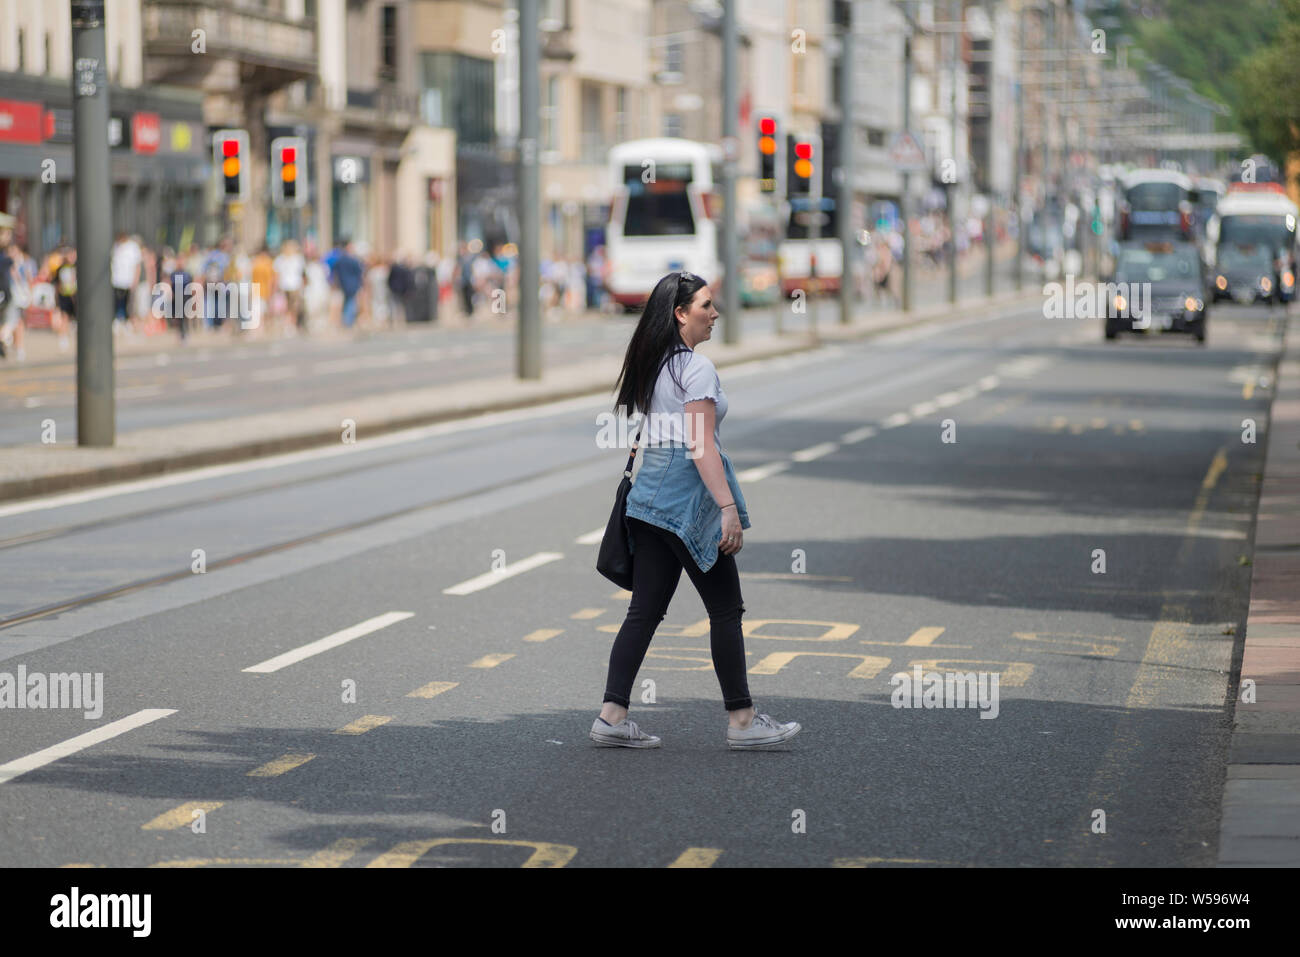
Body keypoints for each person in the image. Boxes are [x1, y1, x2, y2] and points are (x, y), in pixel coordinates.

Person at [592, 270, 802, 750]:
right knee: (726, 609)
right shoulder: (696, 368)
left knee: (644, 611)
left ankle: (611, 715)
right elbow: (700, 445)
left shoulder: (654, 362)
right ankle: (743, 722)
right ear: (680, 313)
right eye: (706, 305)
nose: (715, 313)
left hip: (648, 493)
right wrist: (726, 507)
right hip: (688, 496)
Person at [110, 231, 142, 334]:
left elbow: (137, 266)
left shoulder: (133, 247)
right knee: (117, 302)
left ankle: (128, 322)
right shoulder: (115, 246)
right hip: (116, 281)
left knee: (129, 304)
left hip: (128, 281)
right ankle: (119, 321)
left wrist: (135, 281)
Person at [331, 239, 363, 329]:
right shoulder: (353, 260)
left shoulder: (340, 259)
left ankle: (346, 320)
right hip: (352, 284)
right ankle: (348, 321)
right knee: (351, 302)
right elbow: (359, 272)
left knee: (347, 301)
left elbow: (334, 272)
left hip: (343, 283)